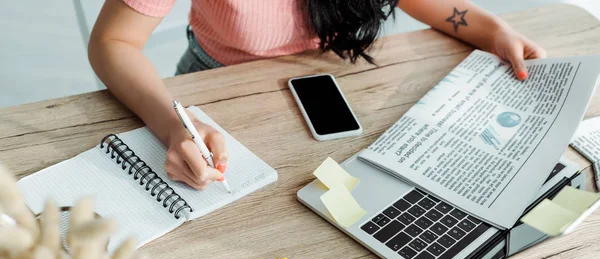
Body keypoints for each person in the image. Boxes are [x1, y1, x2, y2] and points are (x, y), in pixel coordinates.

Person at [88, 0, 546, 190]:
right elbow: (113, 43)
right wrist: (174, 126)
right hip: (217, 88)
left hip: (333, 86)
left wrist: (491, 29)